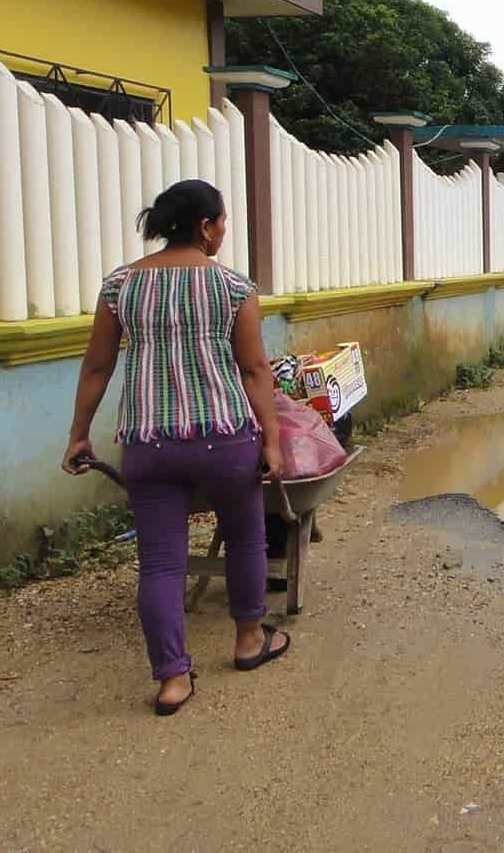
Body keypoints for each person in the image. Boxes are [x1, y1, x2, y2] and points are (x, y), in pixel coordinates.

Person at [62, 180, 290, 715]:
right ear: (206, 226)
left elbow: (98, 365)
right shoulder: (234, 287)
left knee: (161, 564)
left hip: (150, 444)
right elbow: (255, 369)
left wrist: (79, 433)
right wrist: (273, 440)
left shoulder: (120, 286)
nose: (224, 232)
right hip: (226, 437)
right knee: (244, 539)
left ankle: (172, 679)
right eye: (223, 222)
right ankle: (249, 641)